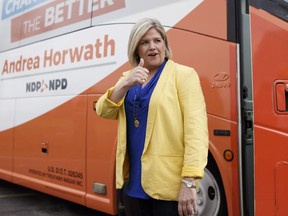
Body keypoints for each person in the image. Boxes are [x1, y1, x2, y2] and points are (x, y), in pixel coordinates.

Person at [96, 18, 208, 216]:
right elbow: (103, 110)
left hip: (168, 186)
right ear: (136, 48)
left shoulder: (183, 75)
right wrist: (124, 84)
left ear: (165, 44)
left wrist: (189, 181)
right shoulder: (128, 78)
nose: (152, 47)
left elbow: (196, 133)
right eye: (144, 42)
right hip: (133, 185)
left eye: (157, 40)